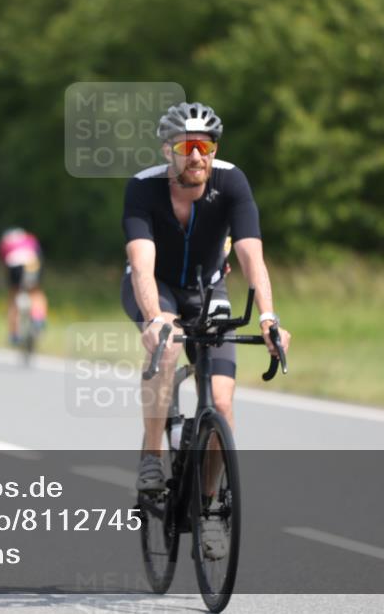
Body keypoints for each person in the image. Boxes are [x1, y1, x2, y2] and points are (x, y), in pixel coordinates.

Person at [121, 101, 292, 501]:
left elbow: (252, 256)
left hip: (207, 288)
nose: (196, 156)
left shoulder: (232, 182)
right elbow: (142, 266)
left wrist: (268, 318)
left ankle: (210, 504)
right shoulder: (143, 187)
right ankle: (152, 453)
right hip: (156, 286)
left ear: (214, 148)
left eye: (204, 145)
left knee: (220, 401)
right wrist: (154, 320)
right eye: (185, 147)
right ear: (167, 150)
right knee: (166, 349)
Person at [0, 227, 48, 345]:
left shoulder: (5, 242)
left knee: (13, 297)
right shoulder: (30, 238)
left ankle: (14, 334)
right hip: (32, 263)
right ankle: (38, 319)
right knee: (35, 292)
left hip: (14, 266)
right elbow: (39, 255)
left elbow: (4, 264)